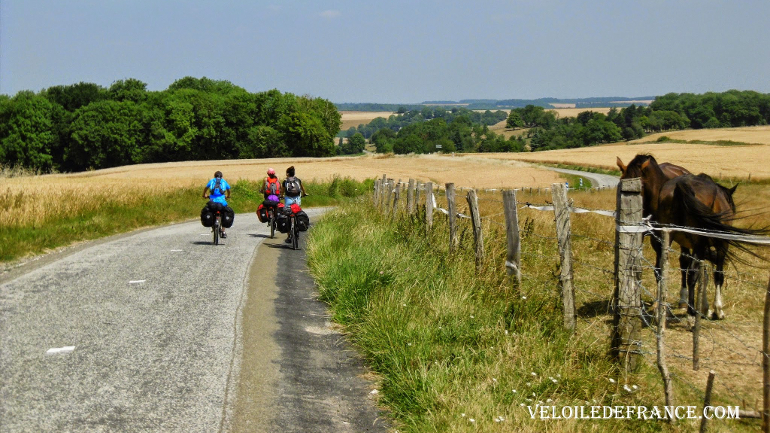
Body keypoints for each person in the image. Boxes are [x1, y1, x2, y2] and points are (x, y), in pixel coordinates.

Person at [202, 170, 231, 238]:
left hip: (212, 201)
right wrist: (228, 196)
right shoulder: (224, 181)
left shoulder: (212, 181)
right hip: (222, 202)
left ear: (214, 176)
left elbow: (205, 188)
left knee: (211, 211)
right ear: (221, 176)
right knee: (225, 213)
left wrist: (204, 195)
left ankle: (212, 224)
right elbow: (229, 190)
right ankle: (223, 231)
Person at [282, 166, 307, 243]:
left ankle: (289, 235)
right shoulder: (298, 180)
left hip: (288, 200)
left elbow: (281, 192)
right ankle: (298, 229)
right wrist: (304, 194)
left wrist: (280, 196)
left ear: (287, 174)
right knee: (298, 213)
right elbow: (303, 189)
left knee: (287, 215)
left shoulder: (285, 181)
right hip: (297, 200)